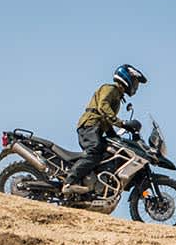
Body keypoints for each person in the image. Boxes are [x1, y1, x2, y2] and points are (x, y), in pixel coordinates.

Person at [63, 64, 147, 197]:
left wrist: (115, 137)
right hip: (89, 126)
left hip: (95, 128)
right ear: (127, 78)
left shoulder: (118, 97)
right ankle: (69, 182)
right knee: (94, 151)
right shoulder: (110, 88)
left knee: (107, 152)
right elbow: (103, 107)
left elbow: (106, 122)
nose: (136, 87)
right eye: (135, 82)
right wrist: (122, 123)